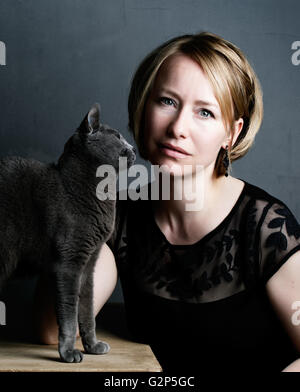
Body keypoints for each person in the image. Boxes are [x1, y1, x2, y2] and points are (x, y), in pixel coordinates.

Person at [35, 31, 300, 372]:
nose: (177, 127)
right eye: (167, 102)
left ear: (231, 134)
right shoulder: (119, 215)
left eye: (205, 112)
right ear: (143, 107)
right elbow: (51, 330)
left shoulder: (267, 227)